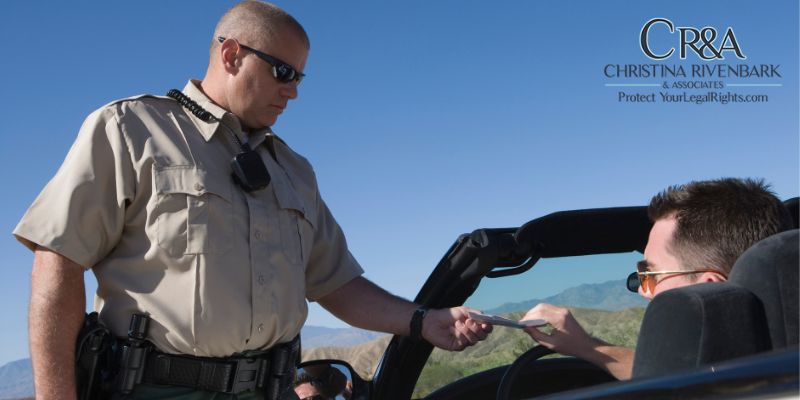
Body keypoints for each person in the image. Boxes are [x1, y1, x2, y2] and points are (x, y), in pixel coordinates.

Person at [14, 2, 491, 399]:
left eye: (300, 79)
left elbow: (335, 283)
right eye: (283, 71)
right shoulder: (130, 129)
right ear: (231, 54)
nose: (293, 91)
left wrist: (423, 321)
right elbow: (57, 262)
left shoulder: (294, 170)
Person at [521, 178, 793, 380]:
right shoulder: (776, 367)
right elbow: (672, 375)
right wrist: (590, 348)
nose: (643, 290)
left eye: (651, 275)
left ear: (710, 287)